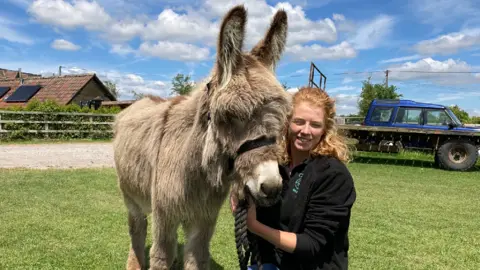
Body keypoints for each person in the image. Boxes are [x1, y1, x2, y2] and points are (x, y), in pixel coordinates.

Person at [230, 86, 357, 270]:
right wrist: (241, 195)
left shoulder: (333, 175)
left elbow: (311, 244)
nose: (305, 131)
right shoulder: (277, 165)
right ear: (287, 122)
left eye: (315, 125)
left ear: (325, 129)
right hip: (268, 262)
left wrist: (255, 226)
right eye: (299, 121)